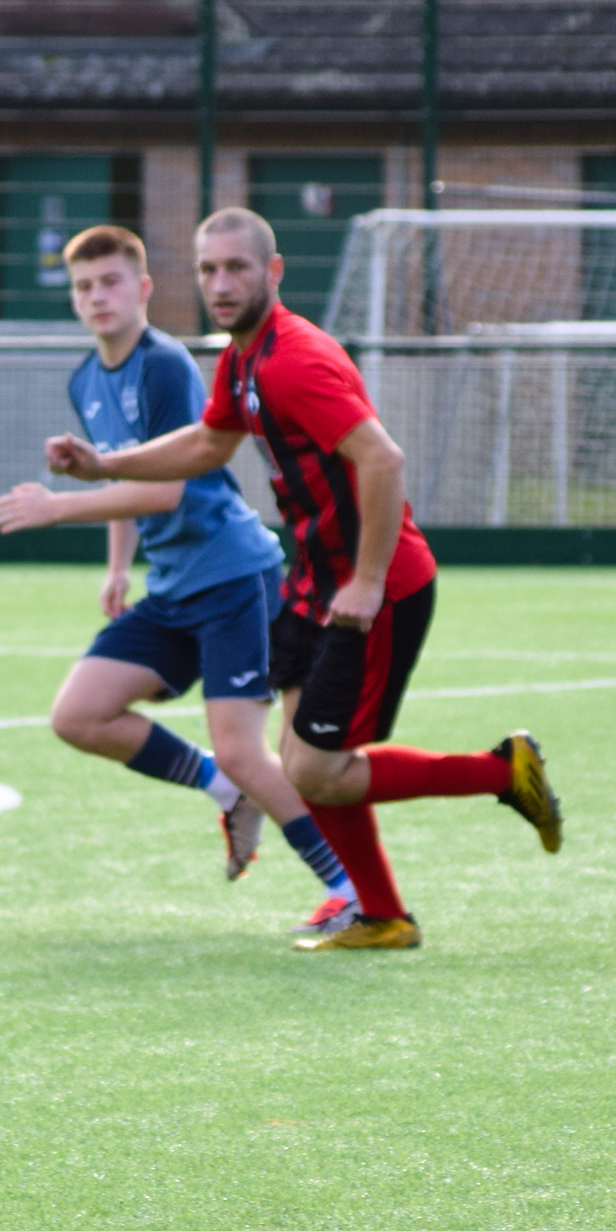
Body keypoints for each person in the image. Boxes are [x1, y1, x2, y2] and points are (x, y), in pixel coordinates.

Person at [46, 207, 563, 950]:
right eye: (208, 270)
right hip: (311, 582)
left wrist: (368, 580)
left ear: (274, 271)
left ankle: (499, 773)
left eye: (238, 268)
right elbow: (206, 444)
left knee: (318, 767)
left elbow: (382, 459)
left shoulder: (295, 358)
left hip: (373, 589)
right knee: (307, 761)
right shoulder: (240, 358)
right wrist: (104, 465)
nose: (221, 284)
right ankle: (379, 913)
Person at [0, 225, 357, 919]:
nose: (98, 298)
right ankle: (224, 791)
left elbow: (165, 487)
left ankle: (346, 887)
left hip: (230, 578)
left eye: (111, 282)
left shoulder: (163, 366)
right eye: (84, 287)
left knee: (245, 749)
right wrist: (118, 568)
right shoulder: (86, 377)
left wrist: (57, 509)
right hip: (173, 586)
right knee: (79, 714)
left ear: (144, 288)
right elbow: (129, 465)